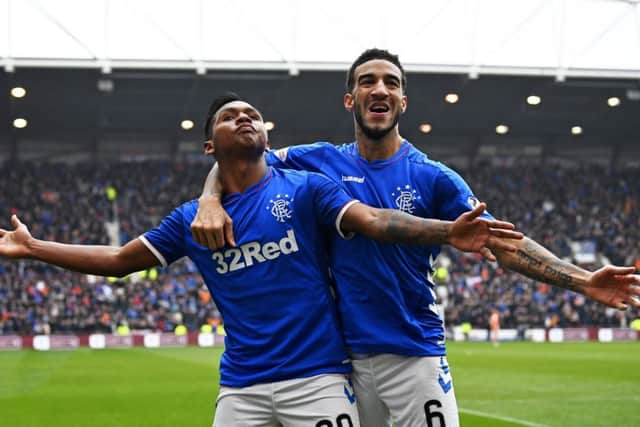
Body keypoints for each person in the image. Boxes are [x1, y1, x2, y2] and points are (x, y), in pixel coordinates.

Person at [0, 93, 523, 427]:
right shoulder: (190, 219)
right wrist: (33, 248)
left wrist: (447, 231)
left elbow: (372, 220)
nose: (245, 117)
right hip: (241, 389)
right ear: (210, 144)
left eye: (253, 114)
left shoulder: (306, 188)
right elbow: (119, 260)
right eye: (231, 116)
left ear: (268, 138)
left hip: (318, 381)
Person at [192, 50, 640, 427]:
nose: (380, 89)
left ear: (403, 101)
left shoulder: (433, 178)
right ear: (351, 99)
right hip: (342, 360)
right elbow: (240, 154)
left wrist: (582, 281)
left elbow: (502, 241)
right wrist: (209, 199)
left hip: (414, 354)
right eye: (368, 81)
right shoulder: (319, 161)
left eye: (391, 82)